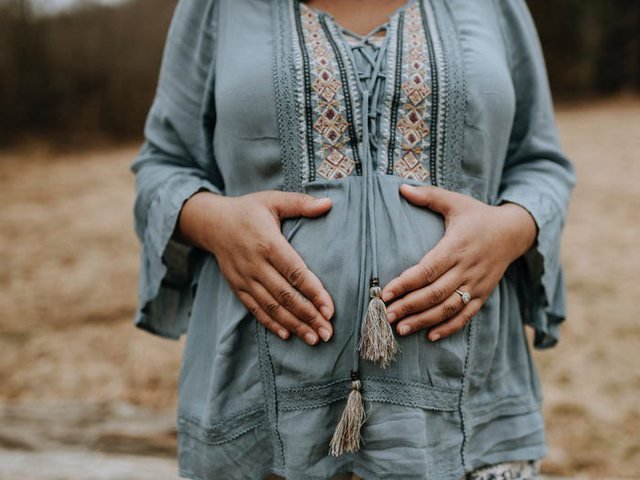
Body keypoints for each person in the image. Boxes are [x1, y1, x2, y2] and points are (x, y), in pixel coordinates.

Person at [129, 0, 576, 479]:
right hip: (263, 418)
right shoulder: (218, 7)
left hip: (468, 413)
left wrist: (509, 228)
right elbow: (163, 168)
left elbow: (541, 165)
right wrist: (217, 224)